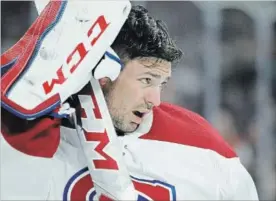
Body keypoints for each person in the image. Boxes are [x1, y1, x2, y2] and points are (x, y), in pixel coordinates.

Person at [1, 2, 258, 201]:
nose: (155, 101)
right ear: (104, 72)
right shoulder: (38, 134)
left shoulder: (204, 148)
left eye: (161, 84)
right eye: (146, 80)